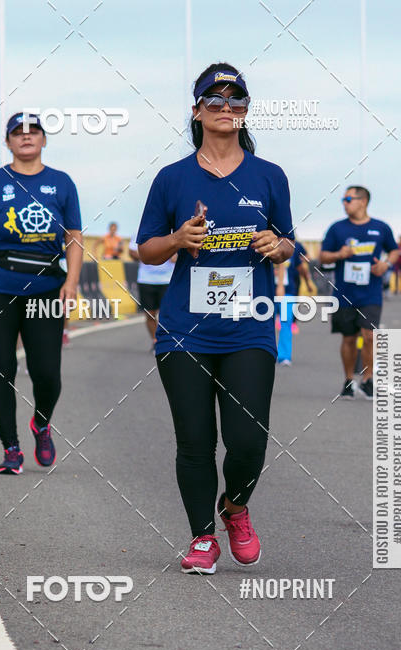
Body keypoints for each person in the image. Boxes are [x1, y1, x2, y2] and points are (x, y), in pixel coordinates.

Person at [137, 62, 294, 574]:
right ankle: (202, 537)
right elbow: (146, 249)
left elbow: (289, 242)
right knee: (195, 441)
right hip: (184, 330)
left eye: (236, 100)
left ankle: (235, 507)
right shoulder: (172, 178)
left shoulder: (270, 175)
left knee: (248, 441)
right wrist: (177, 239)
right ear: (197, 111)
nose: (226, 108)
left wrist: (278, 246)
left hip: (249, 327)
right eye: (215, 100)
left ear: (245, 110)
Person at [0, 112, 83, 474]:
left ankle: (41, 424)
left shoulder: (61, 183)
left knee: (47, 373)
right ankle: (11, 448)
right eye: (18, 132)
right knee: (3, 367)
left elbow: (74, 237)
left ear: (44, 140)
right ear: (8, 142)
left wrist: (71, 282)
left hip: (46, 287)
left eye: (33, 131)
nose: (26, 137)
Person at [321, 186, 399, 400]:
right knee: (348, 338)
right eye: (343, 200)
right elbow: (323, 256)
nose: (344, 203)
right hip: (344, 294)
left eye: (348, 199)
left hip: (370, 293)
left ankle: (367, 380)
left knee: (369, 336)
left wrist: (386, 264)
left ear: (363, 201)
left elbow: (394, 250)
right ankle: (348, 380)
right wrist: (339, 254)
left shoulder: (380, 227)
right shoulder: (337, 228)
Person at [128, 236, 176, 351]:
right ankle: (156, 341)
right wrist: (150, 256)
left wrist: (176, 254)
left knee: (167, 314)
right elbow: (131, 251)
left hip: (168, 279)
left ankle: (168, 341)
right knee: (150, 314)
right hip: (146, 279)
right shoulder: (141, 231)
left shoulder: (173, 230)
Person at [275, 239, 315, 365]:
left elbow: (301, 268)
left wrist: (308, 283)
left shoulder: (294, 246)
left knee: (286, 322)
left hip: (288, 291)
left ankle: (284, 356)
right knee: (263, 324)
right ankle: (265, 354)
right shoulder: (265, 242)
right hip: (267, 291)